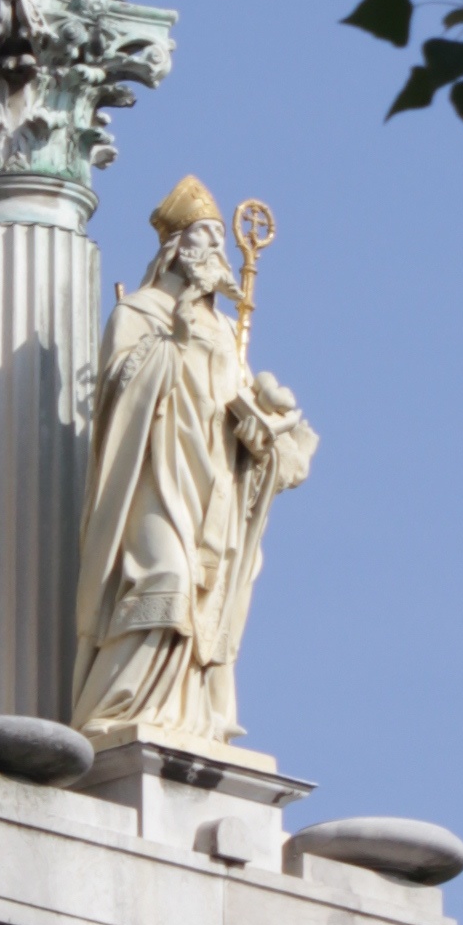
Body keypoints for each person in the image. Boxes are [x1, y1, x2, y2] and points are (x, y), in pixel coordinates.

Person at [71, 177, 316, 756]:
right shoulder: (139, 310)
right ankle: (117, 709)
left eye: (218, 241)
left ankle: (189, 715)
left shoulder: (225, 331)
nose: (215, 251)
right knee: (167, 578)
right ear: (175, 249)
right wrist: (175, 333)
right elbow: (115, 393)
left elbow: (234, 402)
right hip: (153, 472)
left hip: (209, 478)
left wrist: (262, 427)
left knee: (206, 596)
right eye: (203, 238)